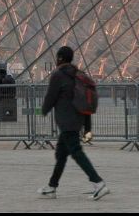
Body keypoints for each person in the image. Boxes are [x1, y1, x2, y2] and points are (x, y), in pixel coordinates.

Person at [38, 46, 109, 201]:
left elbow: (51, 96)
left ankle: (98, 182)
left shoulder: (58, 75)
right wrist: (87, 127)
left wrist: (44, 110)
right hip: (77, 118)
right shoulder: (77, 74)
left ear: (61, 58)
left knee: (76, 151)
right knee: (61, 154)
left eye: (57, 57)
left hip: (66, 120)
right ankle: (51, 186)